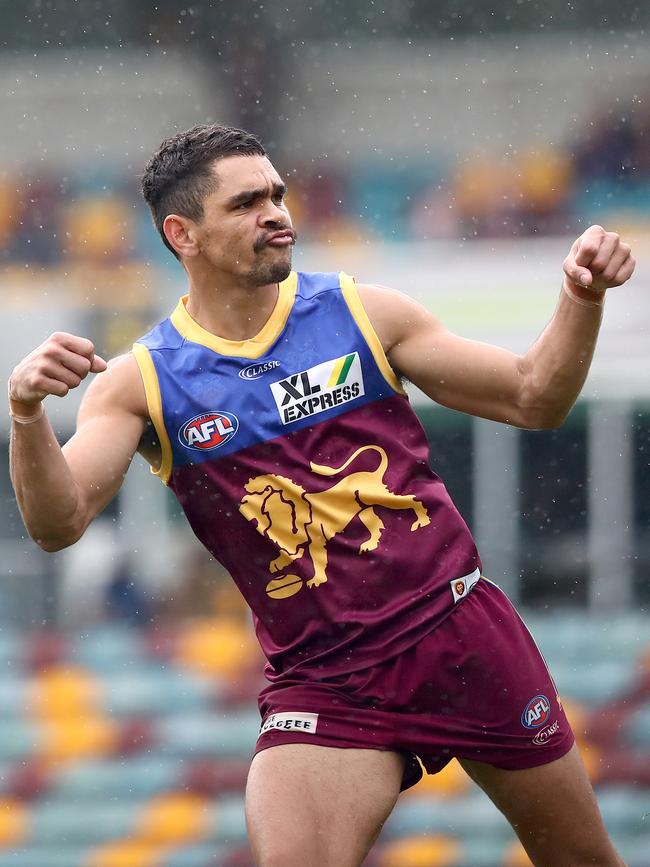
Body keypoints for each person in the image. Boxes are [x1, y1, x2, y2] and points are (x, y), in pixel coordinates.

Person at [8, 124, 634, 867]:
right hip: (326, 683)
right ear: (184, 234)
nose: (277, 213)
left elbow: (534, 398)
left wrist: (580, 296)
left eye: (277, 193)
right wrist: (26, 416)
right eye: (246, 203)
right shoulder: (142, 380)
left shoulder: (364, 312)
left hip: (461, 633)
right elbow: (59, 521)